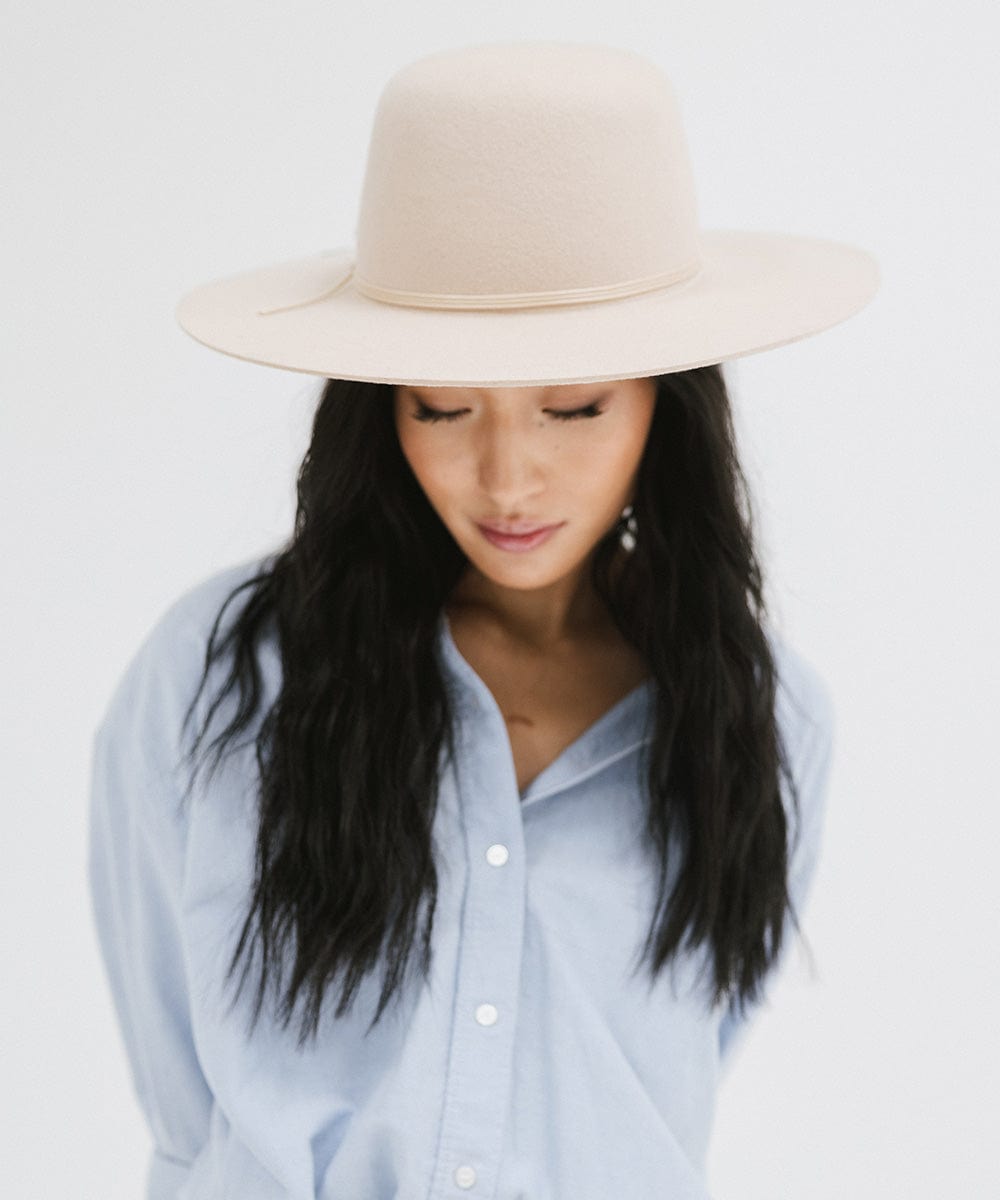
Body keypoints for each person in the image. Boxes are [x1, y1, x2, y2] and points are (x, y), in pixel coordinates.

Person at [87, 40, 879, 1200]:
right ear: (378, 411)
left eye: (574, 408)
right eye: (443, 407)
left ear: (666, 404)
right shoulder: (222, 675)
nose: (506, 480)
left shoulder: (767, 720)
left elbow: (669, 1089)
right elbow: (178, 1100)